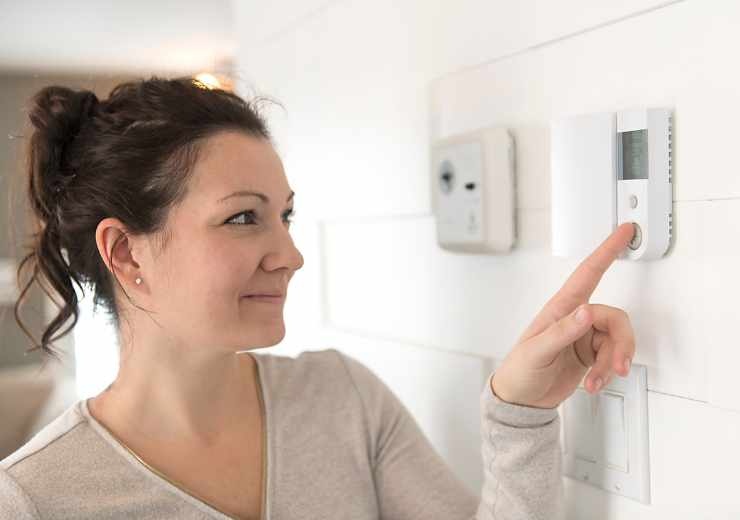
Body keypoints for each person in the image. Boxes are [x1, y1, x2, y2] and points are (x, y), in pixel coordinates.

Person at [0, 76, 636, 520]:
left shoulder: (343, 400)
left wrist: (520, 411)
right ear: (126, 253)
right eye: (243, 218)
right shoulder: (35, 499)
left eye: (285, 216)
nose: (291, 255)